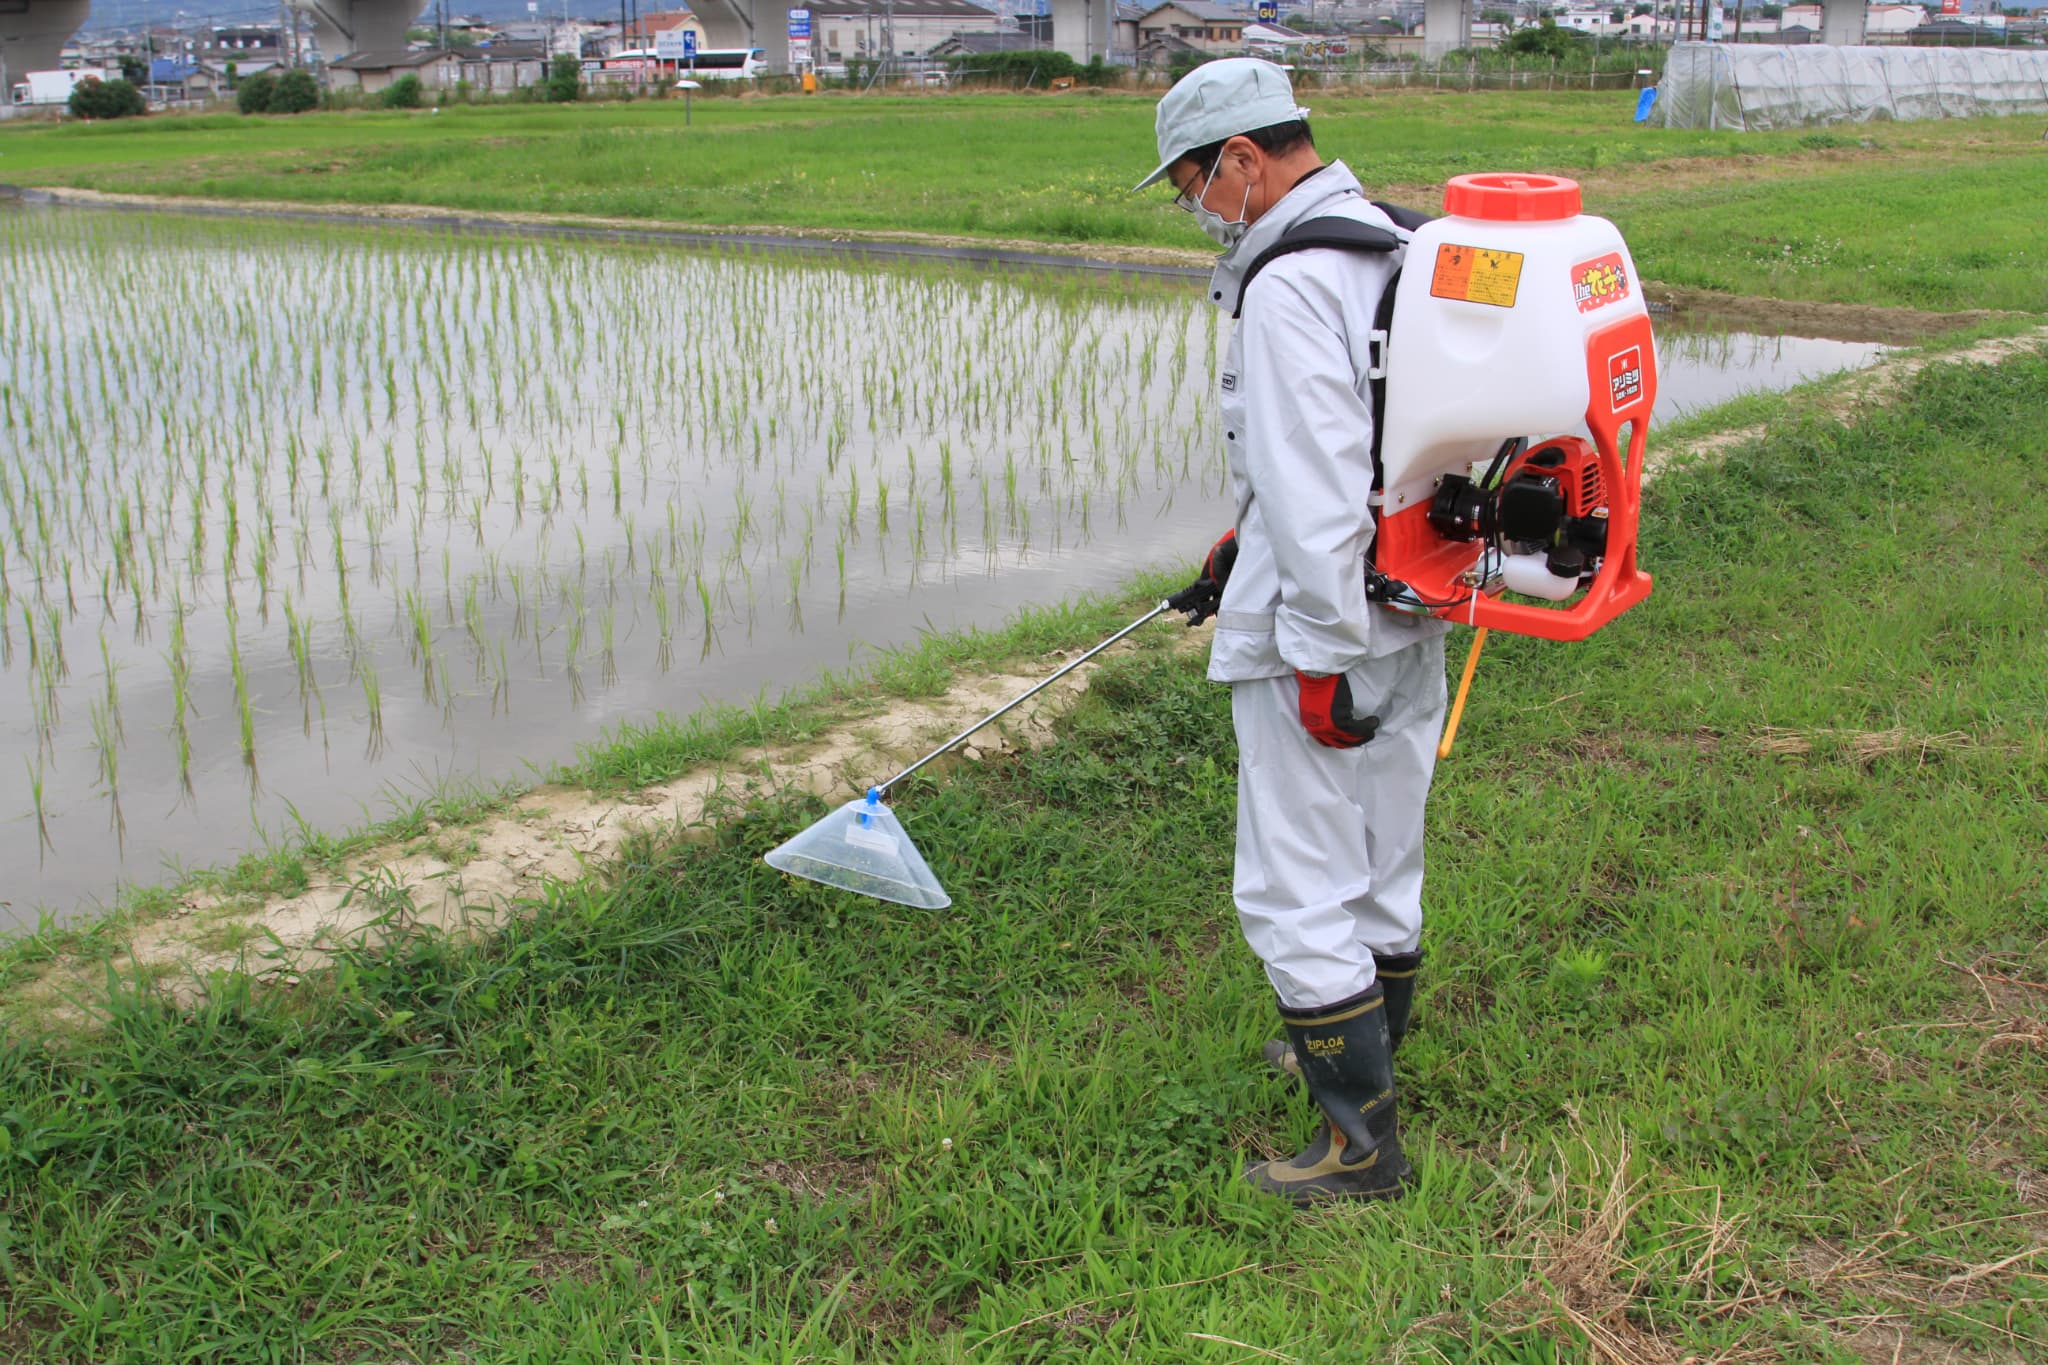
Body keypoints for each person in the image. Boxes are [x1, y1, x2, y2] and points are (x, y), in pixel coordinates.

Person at [1139, 59, 1451, 1204]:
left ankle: (1356, 1151)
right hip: (1411, 593)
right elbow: (1380, 447)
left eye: (1192, 187)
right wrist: (1245, 542)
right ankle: (1366, 1049)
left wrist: (1317, 651)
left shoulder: (1284, 285)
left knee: (1291, 882)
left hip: (1322, 625)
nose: (1197, 209)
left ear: (1241, 159)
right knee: (1381, 847)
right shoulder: (1399, 244)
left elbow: (1314, 483)